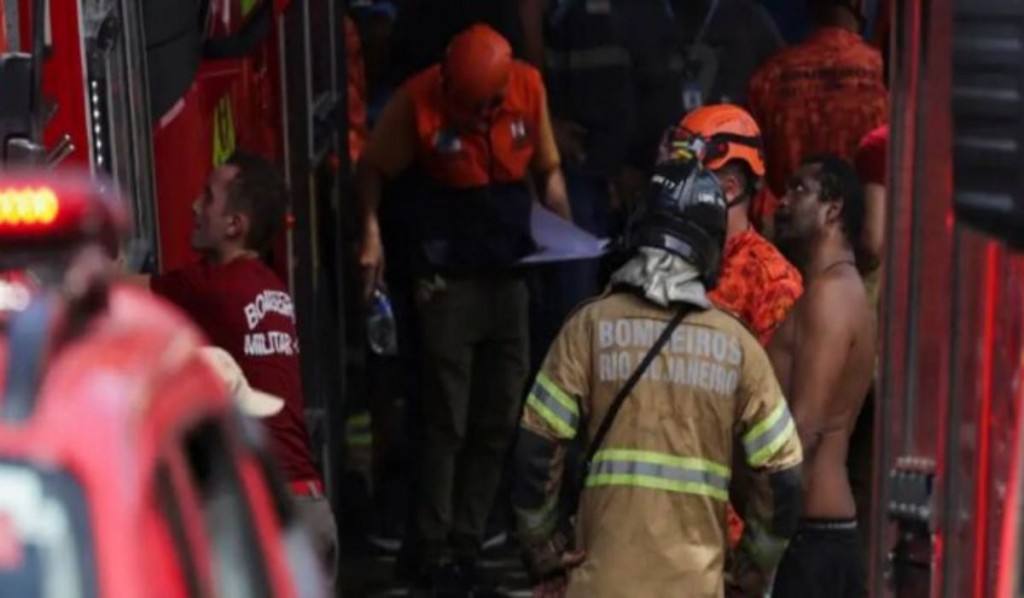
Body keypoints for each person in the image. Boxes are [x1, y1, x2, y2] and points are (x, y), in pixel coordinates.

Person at [513, 158, 803, 598]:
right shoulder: (738, 348)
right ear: (710, 247)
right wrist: (750, 574)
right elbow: (783, 474)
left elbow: (536, 450)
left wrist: (544, 555)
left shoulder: (587, 328)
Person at [356, 24, 570, 592]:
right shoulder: (419, 100)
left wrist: (562, 225)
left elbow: (547, 170)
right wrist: (371, 235)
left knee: (500, 415)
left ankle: (468, 542)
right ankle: (430, 547)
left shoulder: (527, 89)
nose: (473, 115)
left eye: (482, 107)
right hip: (447, 282)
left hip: (509, 277)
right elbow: (373, 169)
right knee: (444, 417)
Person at [139, 152, 338, 585]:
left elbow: (109, 288)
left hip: (267, 516)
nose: (194, 207)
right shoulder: (271, 287)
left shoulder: (211, 288)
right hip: (309, 505)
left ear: (235, 225)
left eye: (207, 198)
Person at [768, 155, 877, 597]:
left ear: (833, 210)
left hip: (810, 538)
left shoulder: (832, 296)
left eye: (798, 190)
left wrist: (765, 538)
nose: (781, 202)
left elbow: (805, 428)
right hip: (815, 536)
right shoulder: (830, 291)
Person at [747, 0, 888, 225]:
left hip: (789, 242)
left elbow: (754, 179)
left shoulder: (768, 78)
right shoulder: (884, 75)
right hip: (866, 241)